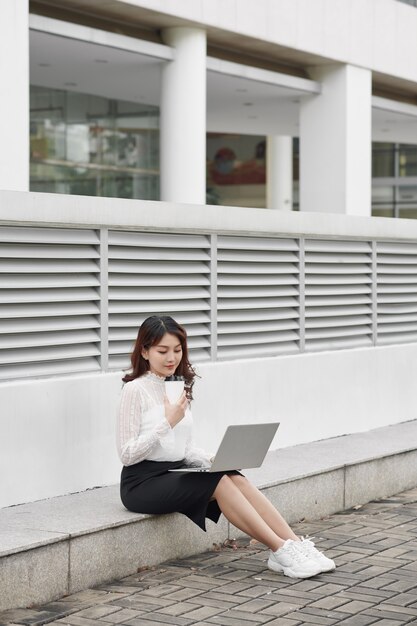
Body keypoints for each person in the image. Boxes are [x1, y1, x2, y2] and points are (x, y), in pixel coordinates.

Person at [117, 315, 335, 579]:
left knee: (233, 476)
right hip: (141, 483)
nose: (171, 358)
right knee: (219, 483)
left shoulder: (179, 387)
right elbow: (127, 454)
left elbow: (184, 450)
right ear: (144, 351)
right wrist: (167, 422)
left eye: (177, 350)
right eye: (162, 351)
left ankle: (295, 543)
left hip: (173, 472)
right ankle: (280, 549)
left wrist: (215, 459)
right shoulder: (134, 390)